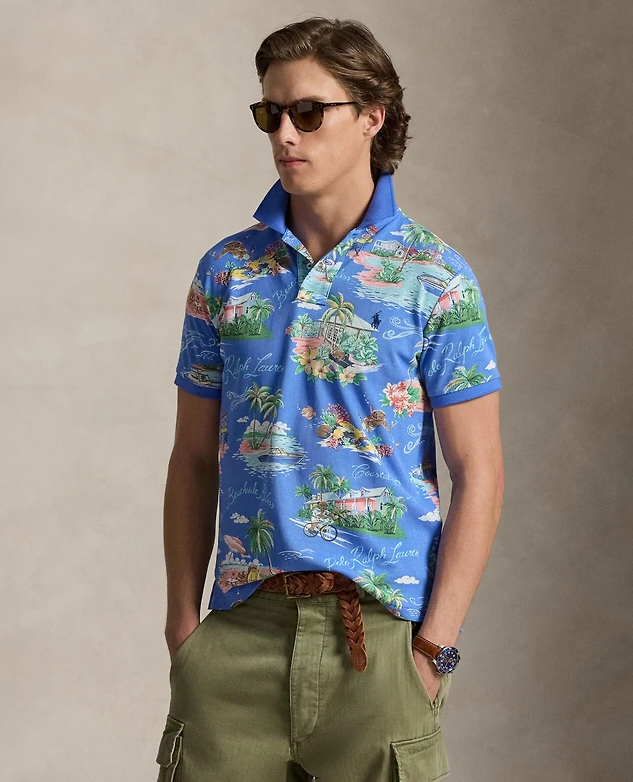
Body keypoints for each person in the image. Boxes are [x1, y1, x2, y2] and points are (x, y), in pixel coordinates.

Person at [155, 16, 504, 782]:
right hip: (239, 634)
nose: (285, 134)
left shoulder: (434, 278)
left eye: (308, 112)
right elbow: (192, 458)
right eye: (270, 112)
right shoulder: (227, 272)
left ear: (372, 116)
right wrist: (184, 627)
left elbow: (479, 472)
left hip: (380, 640)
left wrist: (433, 648)